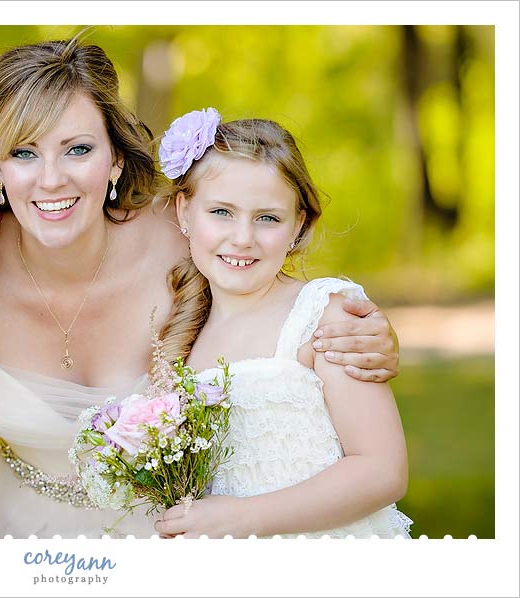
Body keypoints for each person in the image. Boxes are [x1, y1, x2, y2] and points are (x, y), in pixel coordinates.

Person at [0, 36, 401, 538]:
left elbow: (270, 285)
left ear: (115, 158)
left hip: (177, 538)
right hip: (9, 540)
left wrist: (366, 332)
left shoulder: (182, 235)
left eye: (77, 149)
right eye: (24, 153)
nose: (51, 180)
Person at [153, 111, 412, 538]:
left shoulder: (321, 317)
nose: (242, 238)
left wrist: (241, 519)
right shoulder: (184, 332)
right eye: (221, 212)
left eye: (267, 218)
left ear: (298, 225)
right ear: (184, 211)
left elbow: (383, 470)